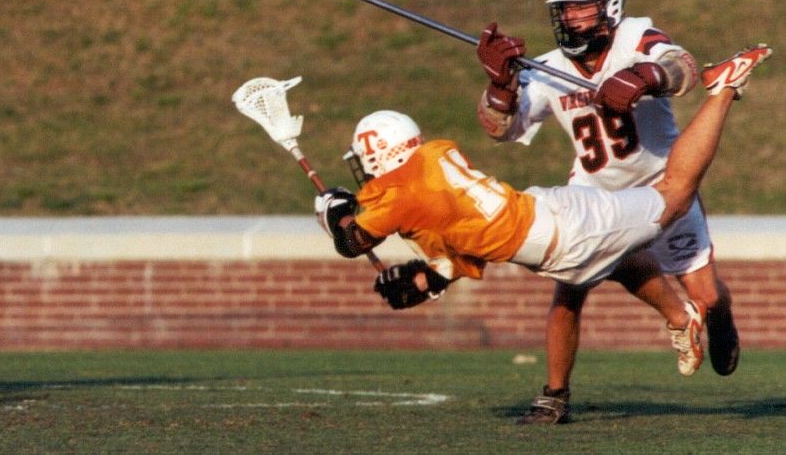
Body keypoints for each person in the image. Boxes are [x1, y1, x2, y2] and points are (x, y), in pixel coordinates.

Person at [314, 46, 768, 420]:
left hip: (566, 236)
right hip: (552, 218)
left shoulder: (402, 192)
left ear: (379, 155)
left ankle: (724, 88)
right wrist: (426, 279)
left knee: (675, 195)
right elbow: (459, 244)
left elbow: (352, 242)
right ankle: (679, 317)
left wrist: (335, 212)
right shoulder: (430, 165)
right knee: (616, 260)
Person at [473, 0, 767, 424]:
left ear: (609, 8)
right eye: (566, 11)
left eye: (582, 9)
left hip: (665, 185)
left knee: (708, 296)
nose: (572, 19)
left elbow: (683, 67)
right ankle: (554, 394)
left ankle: (718, 315)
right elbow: (500, 129)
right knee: (569, 289)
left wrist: (646, 77)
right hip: (596, 194)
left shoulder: (635, 36)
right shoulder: (548, 68)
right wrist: (499, 88)